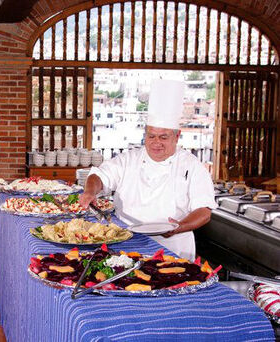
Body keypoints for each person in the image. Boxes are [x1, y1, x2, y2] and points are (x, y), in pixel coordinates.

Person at [79, 79, 216, 260]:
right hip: (127, 243)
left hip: (174, 249)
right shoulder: (129, 159)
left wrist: (179, 227)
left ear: (177, 136)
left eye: (163, 137)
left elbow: (204, 212)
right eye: (151, 136)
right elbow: (100, 176)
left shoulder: (193, 166)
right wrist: (90, 192)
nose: (156, 142)